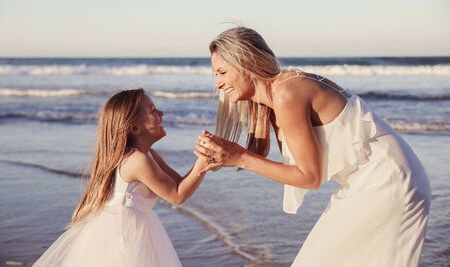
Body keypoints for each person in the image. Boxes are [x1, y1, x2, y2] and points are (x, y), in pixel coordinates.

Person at [195, 27, 431, 266]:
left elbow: (309, 177)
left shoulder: (287, 93)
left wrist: (240, 158)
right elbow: (271, 160)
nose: (218, 83)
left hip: (389, 181)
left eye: (222, 72)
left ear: (246, 62)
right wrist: (225, 154)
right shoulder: (272, 97)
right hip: (365, 182)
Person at [34, 88, 208, 267]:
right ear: (134, 128)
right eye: (153, 111)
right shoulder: (137, 160)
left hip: (126, 225)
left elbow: (179, 184)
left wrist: (204, 160)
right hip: (124, 233)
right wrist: (204, 161)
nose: (162, 113)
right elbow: (177, 195)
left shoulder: (147, 155)